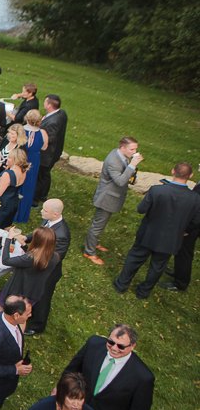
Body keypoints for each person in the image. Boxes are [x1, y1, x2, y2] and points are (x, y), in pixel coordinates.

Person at [63, 324, 154, 410]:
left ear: (132, 346)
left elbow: (139, 409)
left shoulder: (142, 377)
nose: (114, 348)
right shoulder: (94, 344)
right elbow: (73, 368)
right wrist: (61, 389)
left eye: (121, 346)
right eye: (111, 342)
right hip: (73, 409)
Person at [114, 162, 200, 298]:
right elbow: (196, 220)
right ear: (191, 176)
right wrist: (184, 231)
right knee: (158, 266)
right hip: (171, 239)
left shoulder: (157, 190)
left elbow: (141, 209)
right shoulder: (195, 198)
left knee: (135, 258)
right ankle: (143, 292)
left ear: (173, 171)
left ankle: (121, 285)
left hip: (148, 233)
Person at [14, 198, 70, 335]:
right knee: (32, 291)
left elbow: (49, 259)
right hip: (38, 266)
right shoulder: (48, 220)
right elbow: (38, 233)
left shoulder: (61, 235)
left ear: (55, 214)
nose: (41, 211)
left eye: (45, 210)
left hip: (48, 272)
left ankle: (37, 325)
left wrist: (26, 248)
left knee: (42, 297)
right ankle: (28, 312)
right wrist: (26, 238)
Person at [83, 136, 142, 265]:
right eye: (132, 149)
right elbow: (120, 181)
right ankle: (89, 252)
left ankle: (95, 243)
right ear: (123, 147)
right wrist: (132, 165)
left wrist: (132, 172)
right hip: (106, 198)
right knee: (97, 226)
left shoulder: (121, 155)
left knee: (102, 223)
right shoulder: (113, 161)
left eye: (135, 149)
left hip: (112, 197)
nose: (135, 152)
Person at [0, 227, 58, 306]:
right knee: (23, 312)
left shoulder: (30, 259)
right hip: (34, 293)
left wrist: (9, 238)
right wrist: (24, 245)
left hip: (17, 292)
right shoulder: (55, 257)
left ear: (36, 241)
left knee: (1, 307)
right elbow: (37, 258)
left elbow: (6, 260)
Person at [165, 181, 200, 292]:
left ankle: (180, 283)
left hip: (193, 226)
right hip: (192, 223)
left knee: (184, 253)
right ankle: (178, 272)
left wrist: (187, 229)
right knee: (180, 250)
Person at [15, 110, 48, 223]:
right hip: (33, 160)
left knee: (17, 181)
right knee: (29, 184)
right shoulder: (42, 133)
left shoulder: (20, 130)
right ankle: (23, 214)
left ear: (27, 118)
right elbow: (44, 147)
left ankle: (14, 211)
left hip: (20, 158)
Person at [34, 94, 67, 203]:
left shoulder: (53, 122)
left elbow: (49, 138)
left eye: (45, 101)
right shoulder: (61, 113)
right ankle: (43, 195)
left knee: (41, 176)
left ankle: (36, 198)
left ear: (49, 105)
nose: (43, 103)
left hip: (47, 155)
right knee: (45, 175)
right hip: (55, 151)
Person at [0, 149, 28, 228]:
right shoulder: (23, 171)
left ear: (15, 160)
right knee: (4, 226)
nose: (7, 159)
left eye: (9, 157)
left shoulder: (7, 174)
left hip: (1, 205)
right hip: (12, 203)